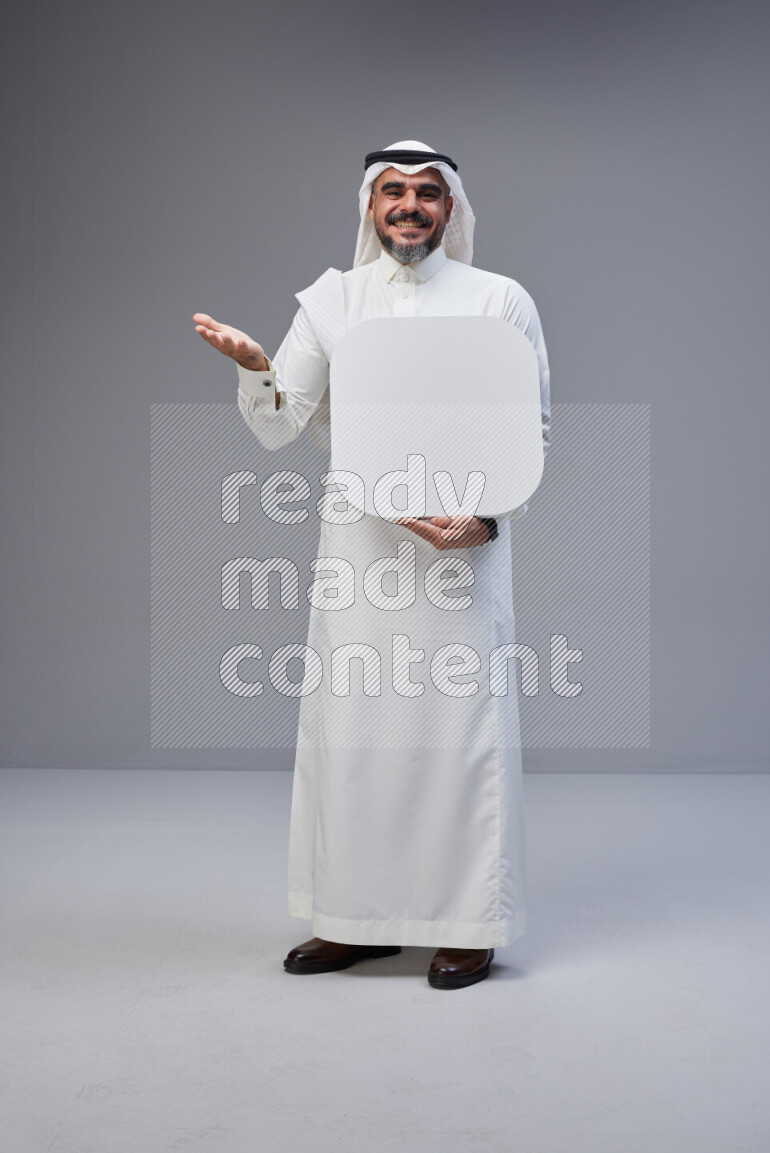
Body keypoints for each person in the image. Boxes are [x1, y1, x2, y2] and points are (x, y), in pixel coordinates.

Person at [193, 140, 550, 989]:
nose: (410, 206)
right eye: (393, 191)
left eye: (428, 193)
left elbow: (532, 433)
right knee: (356, 737)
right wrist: (254, 372)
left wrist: (484, 520)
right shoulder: (332, 302)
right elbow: (282, 423)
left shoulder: (501, 300)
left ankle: (469, 922)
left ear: (452, 207)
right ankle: (355, 919)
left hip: (461, 557)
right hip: (360, 556)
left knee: (460, 739)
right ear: (369, 205)